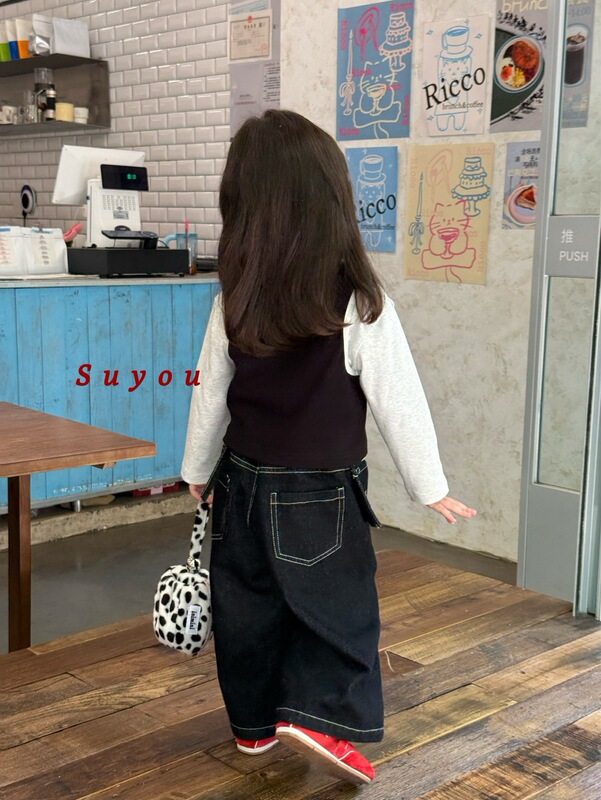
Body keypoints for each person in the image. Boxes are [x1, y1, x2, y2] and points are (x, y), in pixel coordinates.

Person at [181, 109, 476, 786]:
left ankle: (253, 727)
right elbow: (399, 400)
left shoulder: (232, 298)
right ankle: (319, 716)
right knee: (339, 607)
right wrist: (428, 485)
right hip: (319, 494)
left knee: (246, 608)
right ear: (332, 201)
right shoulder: (358, 302)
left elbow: (209, 393)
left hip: (239, 483)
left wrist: (196, 470)